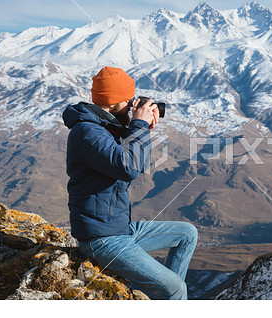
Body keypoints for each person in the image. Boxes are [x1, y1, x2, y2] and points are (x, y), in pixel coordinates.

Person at [62, 66, 198, 300]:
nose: (134, 105)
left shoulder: (103, 127)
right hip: (101, 239)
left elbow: (131, 162)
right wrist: (139, 125)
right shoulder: (87, 131)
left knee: (187, 233)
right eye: (130, 100)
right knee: (176, 287)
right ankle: (170, 295)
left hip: (117, 230)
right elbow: (128, 168)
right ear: (115, 102)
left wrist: (143, 129)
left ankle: (163, 300)